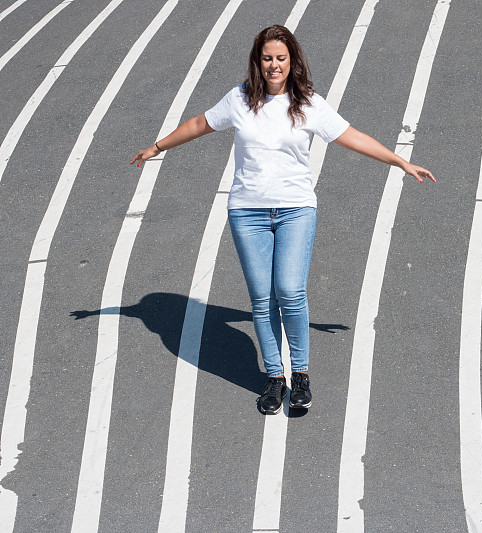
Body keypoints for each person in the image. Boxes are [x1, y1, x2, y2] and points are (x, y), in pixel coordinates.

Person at [131, 25, 435, 415]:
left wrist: (400, 162)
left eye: (281, 58)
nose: (274, 65)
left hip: (295, 209)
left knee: (290, 292)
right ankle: (275, 378)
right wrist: (156, 147)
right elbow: (198, 125)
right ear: (257, 62)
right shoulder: (239, 99)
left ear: (293, 62)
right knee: (262, 299)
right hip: (247, 212)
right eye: (267, 58)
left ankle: (301, 375)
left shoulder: (308, 103)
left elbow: (352, 136)